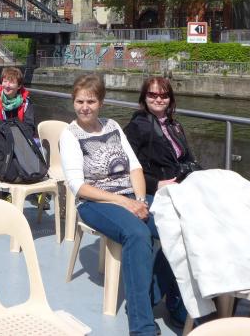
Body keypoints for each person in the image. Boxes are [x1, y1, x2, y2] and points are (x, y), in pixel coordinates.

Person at [59, 74, 184, 335]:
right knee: (137, 234)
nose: (85, 107)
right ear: (73, 102)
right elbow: (78, 186)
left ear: (101, 103)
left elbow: (135, 167)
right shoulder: (70, 136)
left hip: (130, 195)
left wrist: (140, 200)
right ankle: (141, 325)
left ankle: (158, 297)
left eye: (91, 101)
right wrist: (126, 203)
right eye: (80, 101)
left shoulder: (113, 126)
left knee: (178, 226)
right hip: (95, 201)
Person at [124, 77, 201, 196]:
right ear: (144, 97)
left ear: (170, 99)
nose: (159, 100)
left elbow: (188, 157)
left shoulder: (174, 124)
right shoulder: (136, 127)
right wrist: (156, 184)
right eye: (152, 95)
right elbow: (126, 166)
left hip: (183, 182)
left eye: (164, 96)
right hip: (161, 189)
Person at [0, 66, 35, 134]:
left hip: (20, 135)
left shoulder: (26, 103)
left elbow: (30, 127)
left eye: (11, 82)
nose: (7, 85)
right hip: (1, 136)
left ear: (19, 86)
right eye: (5, 81)